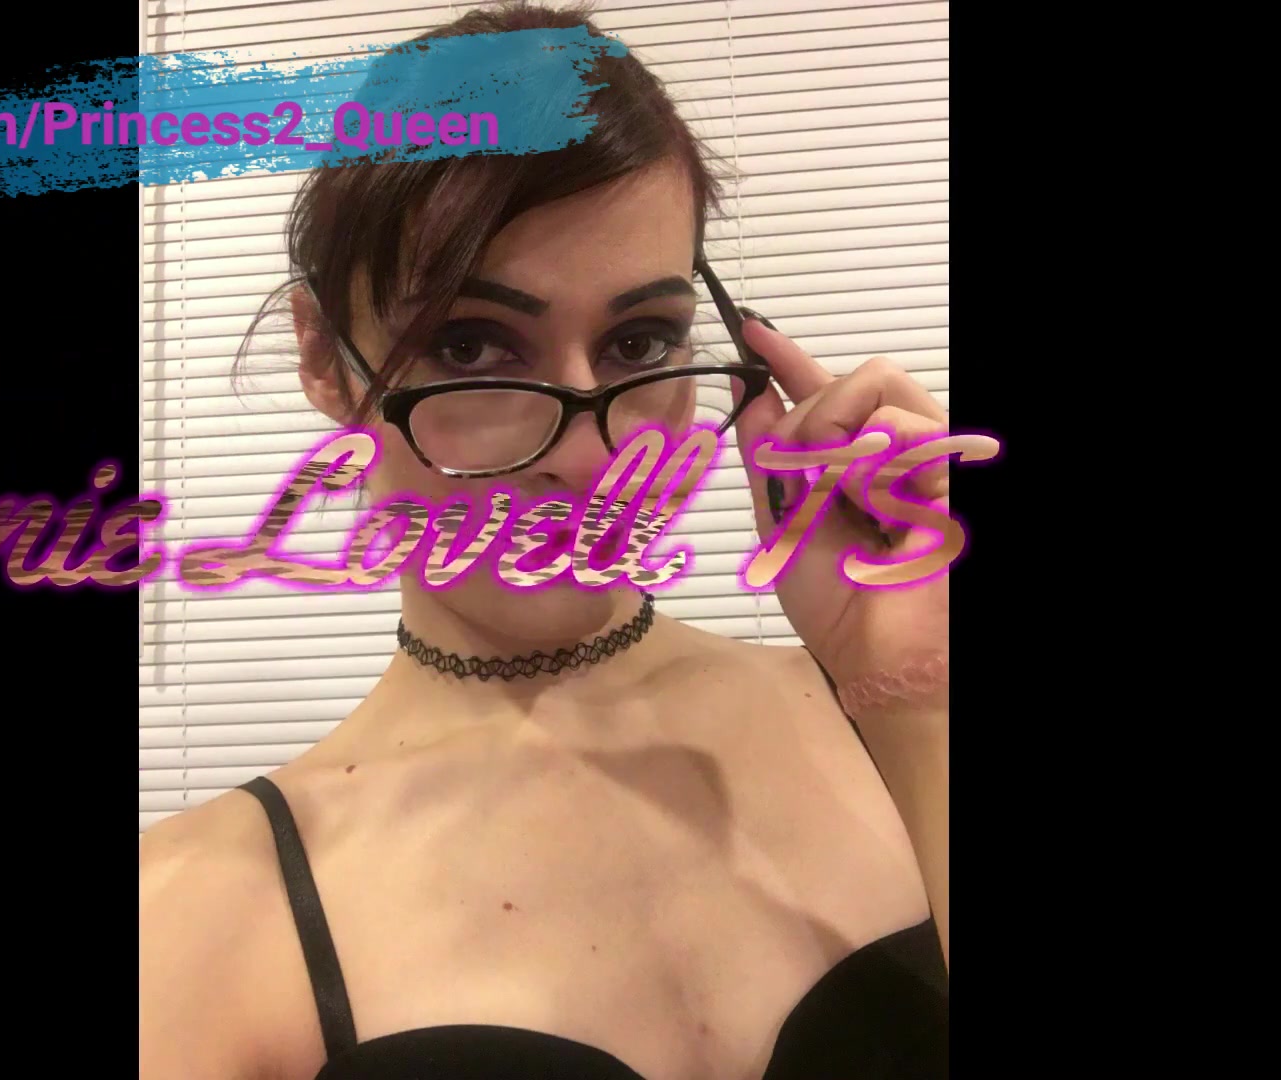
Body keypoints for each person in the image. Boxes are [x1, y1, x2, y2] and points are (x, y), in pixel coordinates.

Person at [139, 4, 951, 1077]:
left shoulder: (887, 707)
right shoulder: (192, 916)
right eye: (471, 346)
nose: (588, 456)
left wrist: (913, 698)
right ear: (326, 359)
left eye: (639, 343)